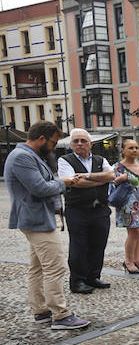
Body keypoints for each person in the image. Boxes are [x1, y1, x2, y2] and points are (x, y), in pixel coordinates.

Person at [4, 121, 90, 330]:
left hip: (36, 217)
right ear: (41, 139)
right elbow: (40, 188)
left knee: (38, 267)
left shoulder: (29, 156)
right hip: (36, 219)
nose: (53, 147)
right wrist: (66, 182)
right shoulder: (22, 157)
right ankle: (61, 314)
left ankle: (41, 310)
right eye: (52, 143)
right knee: (55, 266)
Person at [57, 128, 115, 294]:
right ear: (71, 144)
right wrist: (100, 180)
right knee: (78, 246)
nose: (80, 144)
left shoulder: (100, 159)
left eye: (83, 141)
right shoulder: (64, 160)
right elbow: (74, 183)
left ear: (90, 144)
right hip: (77, 210)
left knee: (98, 244)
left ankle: (93, 276)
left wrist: (86, 176)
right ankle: (78, 281)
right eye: (76, 141)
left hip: (100, 209)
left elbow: (111, 176)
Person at [111, 139, 139, 274]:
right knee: (133, 232)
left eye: (136, 147)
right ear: (123, 151)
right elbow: (111, 185)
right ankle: (128, 261)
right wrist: (121, 178)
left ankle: (137, 260)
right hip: (127, 204)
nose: (134, 150)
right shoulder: (117, 167)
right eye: (130, 148)